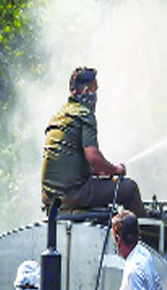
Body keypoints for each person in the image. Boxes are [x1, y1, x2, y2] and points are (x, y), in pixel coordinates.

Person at [41, 66, 146, 216]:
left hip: (50, 197)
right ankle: (142, 231)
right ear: (86, 91)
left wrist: (98, 171)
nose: (96, 95)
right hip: (73, 195)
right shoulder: (84, 114)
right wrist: (116, 170)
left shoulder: (59, 115)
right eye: (95, 89)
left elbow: (71, 158)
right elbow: (92, 156)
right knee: (129, 189)